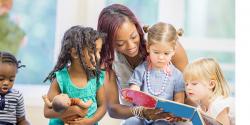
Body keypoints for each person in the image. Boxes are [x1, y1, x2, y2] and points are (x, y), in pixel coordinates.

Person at [97, 4, 189, 125]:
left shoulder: (164, 46)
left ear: (137, 27)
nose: (131, 46)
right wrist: (140, 111)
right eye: (120, 43)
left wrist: (176, 113)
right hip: (137, 118)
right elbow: (113, 109)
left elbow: (189, 93)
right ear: (108, 43)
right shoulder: (109, 62)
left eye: (133, 36)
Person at [43, 26, 107, 125]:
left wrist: (89, 121)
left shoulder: (96, 78)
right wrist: (75, 110)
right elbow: (47, 112)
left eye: (99, 51)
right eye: (92, 52)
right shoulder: (60, 79)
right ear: (75, 53)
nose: (98, 56)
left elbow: (103, 106)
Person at [126, 22, 185, 124]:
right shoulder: (141, 70)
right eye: (156, 52)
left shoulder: (177, 75)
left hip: (164, 117)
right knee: (130, 123)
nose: (161, 57)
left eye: (166, 53)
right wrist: (134, 94)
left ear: (173, 51)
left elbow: (179, 100)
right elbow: (134, 90)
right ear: (148, 48)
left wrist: (174, 114)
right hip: (143, 115)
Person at [183, 57, 235, 125]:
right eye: (186, 84)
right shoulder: (201, 107)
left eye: (194, 84)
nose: (188, 87)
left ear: (211, 84)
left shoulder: (218, 105)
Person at [0, 51, 30, 125]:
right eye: (1, 79)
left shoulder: (17, 95)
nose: (6, 83)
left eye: (11, 80)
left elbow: (21, 120)